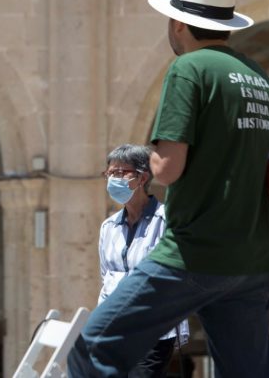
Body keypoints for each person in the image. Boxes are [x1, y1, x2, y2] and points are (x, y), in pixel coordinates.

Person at [67, 0, 269, 376]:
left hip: (196, 251)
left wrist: (154, 158)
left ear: (178, 23)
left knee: (91, 347)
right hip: (253, 259)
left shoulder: (189, 68)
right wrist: (258, 162)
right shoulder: (254, 75)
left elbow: (167, 168)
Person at [101, 144, 189, 377]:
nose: (113, 179)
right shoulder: (108, 226)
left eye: (121, 173)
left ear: (143, 177)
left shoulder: (167, 219)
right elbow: (107, 277)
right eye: (110, 173)